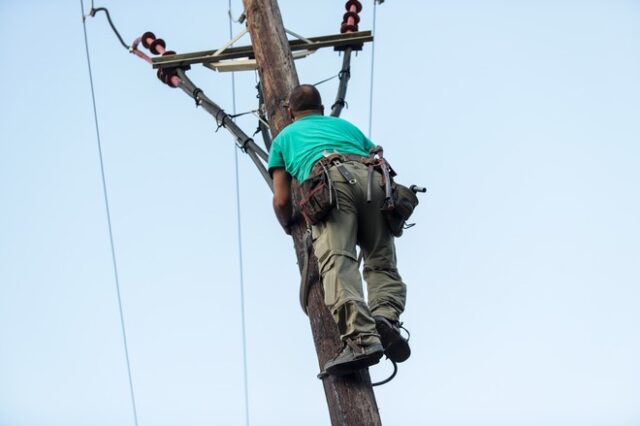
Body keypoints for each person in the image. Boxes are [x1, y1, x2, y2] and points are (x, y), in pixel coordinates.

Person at [268, 84, 409, 376]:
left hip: (330, 183)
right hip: (374, 182)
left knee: (338, 260)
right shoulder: (345, 126)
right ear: (321, 109)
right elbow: (375, 153)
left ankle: (361, 339)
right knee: (381, 261)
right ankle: (385, 319)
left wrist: (288, 223)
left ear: (290, 112)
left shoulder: (283, 138)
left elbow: (282, 200)